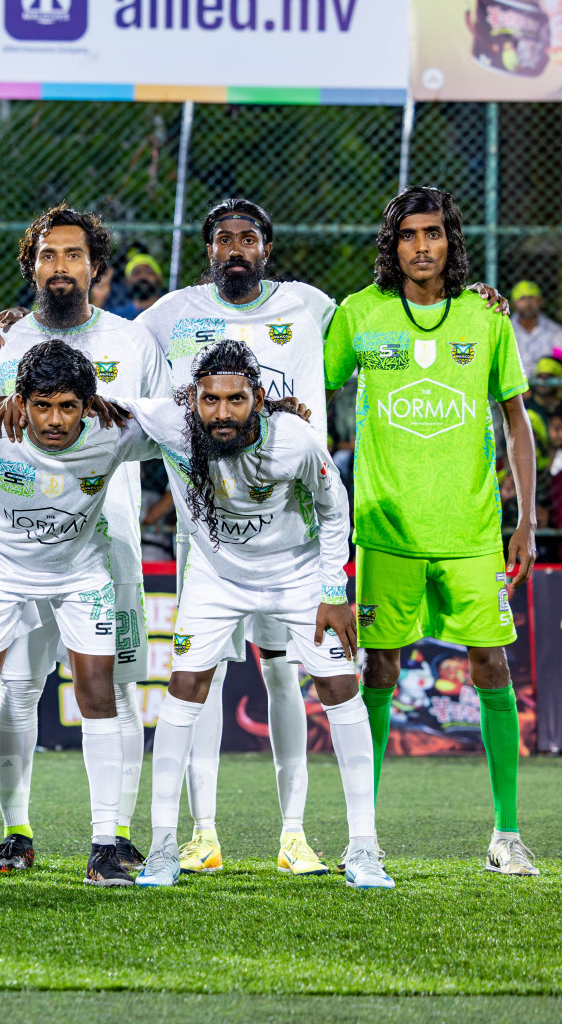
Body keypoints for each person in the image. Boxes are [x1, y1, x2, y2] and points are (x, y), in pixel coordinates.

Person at [122, 340, 392, 890]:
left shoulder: (294, 440)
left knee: (340, 686)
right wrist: (6, 399)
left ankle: (364, 847)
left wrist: (333, 590)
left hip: (295, 574)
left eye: (236, 400)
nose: (222, 412)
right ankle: (164, 846)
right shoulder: (173, 424)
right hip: (217, 575)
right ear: (192, 399)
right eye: (210, 400)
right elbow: (97, 402)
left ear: (258, 398)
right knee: (185, 688)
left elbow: (333, 507)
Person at [325, 186, 539, 876]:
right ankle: (366, 837)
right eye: (410, 235)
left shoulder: (485, 316)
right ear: (393, 245)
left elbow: (516, 424)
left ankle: (506, 834)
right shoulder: (360, 314)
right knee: (380, 669)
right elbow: (308, 394)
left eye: (435, 234)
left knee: (492, 666)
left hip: (473, 532)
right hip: (385, 531)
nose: (423, 247)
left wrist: (525, 519)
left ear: (453, 241)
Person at [135, 199, 336, 877]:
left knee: (285, 679)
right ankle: (202, 834)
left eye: (248, 237)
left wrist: (466, 295)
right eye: (224, 239)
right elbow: (102, 345)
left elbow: (378, 319)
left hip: (289, 537)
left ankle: (294, 834)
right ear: (209, 251)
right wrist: (23, 325)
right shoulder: (172, 314)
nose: (236, 248)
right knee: (203, 682)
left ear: (267, 248)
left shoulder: (310, 305)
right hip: (211, 540)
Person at [0, 204, 169, 874]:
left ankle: (112, 837)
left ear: (97, 267)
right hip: (16, 545)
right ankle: (16, 832)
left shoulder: (132, 342)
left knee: (114, 691)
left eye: (75, 256)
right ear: (31, 264)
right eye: (49, 255)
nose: (62, 268)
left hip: (106, 543)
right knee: (18, 688)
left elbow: (166, 429)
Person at [0, 340, 157, 886]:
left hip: (81, 570)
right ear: (21, 401)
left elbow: (197, 412)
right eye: (40, 405)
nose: (54, 421)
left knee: (99, 694)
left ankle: (105, 844)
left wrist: (277, 410)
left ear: (89, 405)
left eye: (67, 407)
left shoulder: (118, 429)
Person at [511, 280, 562, 378]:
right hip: (512, 386)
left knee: (546, 366)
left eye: (532, 298)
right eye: (522, 298)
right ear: (513, 304)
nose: (528, 303)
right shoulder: (503, 330)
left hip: (543, 387)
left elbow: (560, 356)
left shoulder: (555, 331)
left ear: (540, 301)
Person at [111, 252, 165, 319]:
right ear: (128, 281)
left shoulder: (172, 310)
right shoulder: (117, 317)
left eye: (148, 272)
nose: (143, 276)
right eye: (137, 272)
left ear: (158, 279)